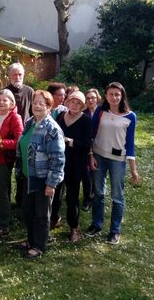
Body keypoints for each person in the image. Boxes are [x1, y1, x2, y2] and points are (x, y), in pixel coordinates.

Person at [86, 82, 141, 245]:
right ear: (106, 96)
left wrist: (133, 170)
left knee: (117, 196)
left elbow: (130, 144)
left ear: (122, 96)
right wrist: (91, 155)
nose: (114, 97)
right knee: (99, 192)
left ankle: (114, 230)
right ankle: (97, 224)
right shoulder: (100, 111)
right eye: (111, 94)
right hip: (98, 156)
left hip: (118, 159)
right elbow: (91, 134)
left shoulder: (130, 116)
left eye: (117, 94)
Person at [15, 90, 65, 258]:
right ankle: (31, 240)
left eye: (41, 104)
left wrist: (52, 183)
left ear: (49, 107)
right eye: (35, 102)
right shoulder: (30, 122)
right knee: (28, 210)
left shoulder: (52, 128)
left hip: (43, 179)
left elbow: (57, 158)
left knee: (42, 214)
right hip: (28, 176)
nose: (37, 106)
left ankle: (39, 246)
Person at [0, 89, 23, 238]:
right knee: (2, 190)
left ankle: (3, 226)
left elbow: (18, 141)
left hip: (3, 159)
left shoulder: (15, 117)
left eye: (5, 100)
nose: (1, 103)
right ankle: (5, 217)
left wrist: (0, 142)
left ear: (11, 103)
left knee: (1, 192)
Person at [56, 91, 92, 243]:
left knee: (72, 197)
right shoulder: (60, 117)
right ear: (67, 103)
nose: (75, 105)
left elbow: (86, 144)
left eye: (78, 103)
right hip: (59, 160)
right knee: (55, 193)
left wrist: (70, 141)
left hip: (76, 163)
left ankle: (74, 228)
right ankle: (54, 218)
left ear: (82, 105)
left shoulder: (86, 120)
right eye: (72, 102)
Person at [4, 63, 34, 207]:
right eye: (14, 74)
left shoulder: (29, 91)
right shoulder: (4, 92)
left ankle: (21, 199)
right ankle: (5, 200)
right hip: (8, 137)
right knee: (7, 170)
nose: (17, 77)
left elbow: (34, 113)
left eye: (20, 74)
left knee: (23, 170)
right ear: (9, 75)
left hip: (25, 136)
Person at [48, 82, 68, 229]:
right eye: (59, 95)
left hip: (60, 152)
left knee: (58, 184)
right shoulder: (43, 109)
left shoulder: (65, 111)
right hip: (45, 153)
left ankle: (55, 215)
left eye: (63, 95)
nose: (62, 97)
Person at [81, 88, 102, 211]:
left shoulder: (103, 112)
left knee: (98, 173)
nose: (90, 100)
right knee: (87, 173)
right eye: (88, 98)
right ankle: (87, 198)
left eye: (93, 98)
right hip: (87, 147)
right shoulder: (83, 114)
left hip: (101, 146)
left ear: (97, 98)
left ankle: (97, 195)